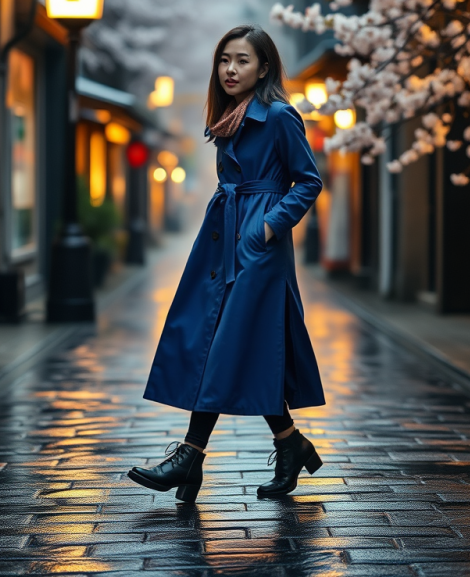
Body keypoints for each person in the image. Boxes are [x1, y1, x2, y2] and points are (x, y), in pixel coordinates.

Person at [128, 24, 325, 503]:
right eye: (224, 60)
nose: (231, 69)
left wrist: (268, 227)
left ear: (263, 68)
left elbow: (308, 181)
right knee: (227, 342)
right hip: (222, 236)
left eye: (242, 60)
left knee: (227, 344)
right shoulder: (230, 118)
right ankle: (289, 443)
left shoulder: (278, 116)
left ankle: (189, 456)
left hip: (258, 246)